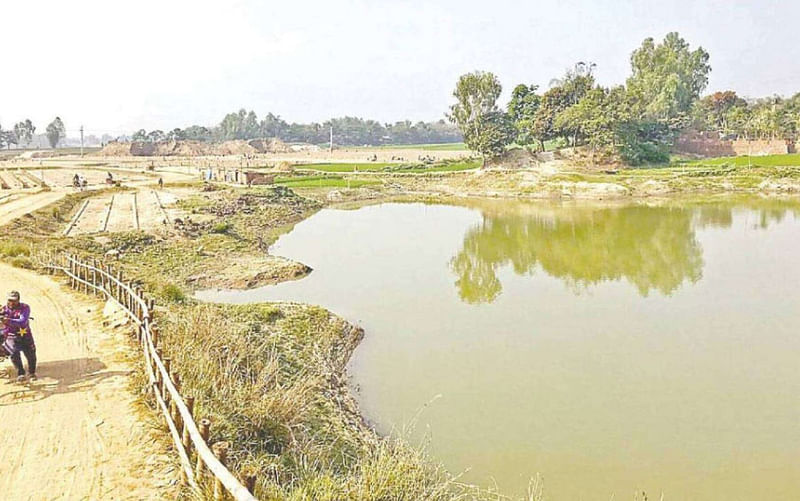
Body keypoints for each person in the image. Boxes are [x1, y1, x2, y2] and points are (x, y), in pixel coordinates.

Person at [1, 291, 36, 382]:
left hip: (25, 335)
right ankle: (20, 372)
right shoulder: (3, 309)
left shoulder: (25, 308)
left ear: (18, 300)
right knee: (13, 352)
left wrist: (8, 320)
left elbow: (23, 321)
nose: (11, 302)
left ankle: (32, 373)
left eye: (14, 300)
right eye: (9, 300)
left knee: (31, 354)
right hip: (11, 335)